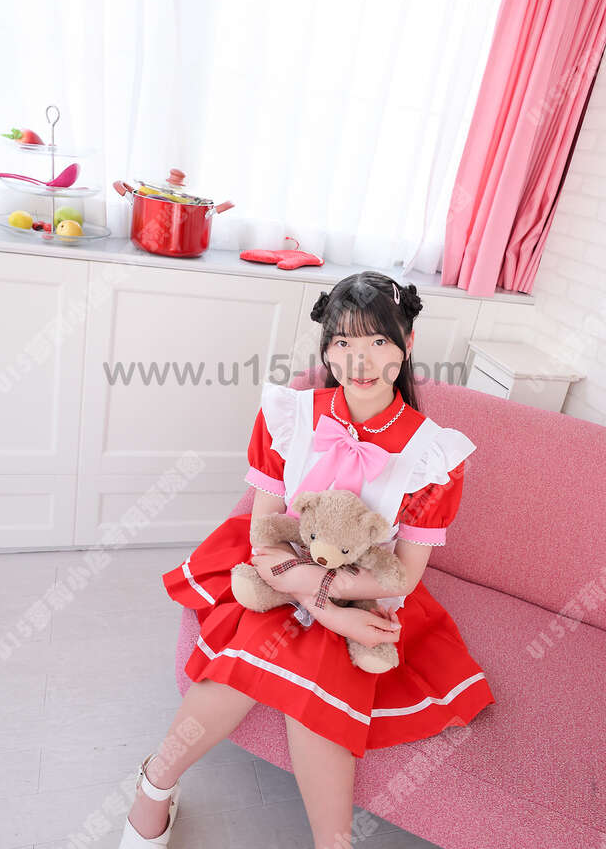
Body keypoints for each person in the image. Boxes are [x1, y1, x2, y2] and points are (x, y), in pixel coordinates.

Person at [117, 270, 496, 848]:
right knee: (246, 657)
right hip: (280, 571)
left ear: (408, 343)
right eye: (343, 342)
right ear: (326, 348)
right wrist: (322, 606)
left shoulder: (433, 455)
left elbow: (404, 575)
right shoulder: (290, 416)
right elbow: (263, 538)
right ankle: (154, 786)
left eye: (378, 340)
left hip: (366, 589)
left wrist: (338, 608)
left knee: (321, 684)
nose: (359, 361)